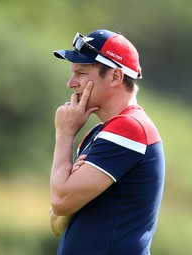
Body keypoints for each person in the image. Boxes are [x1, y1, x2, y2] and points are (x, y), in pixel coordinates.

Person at [49, 29, 165, 255]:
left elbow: (60, 201)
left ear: (115, 77)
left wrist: (64, 135)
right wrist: (64, 196)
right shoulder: (99, 133)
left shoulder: (130, 128)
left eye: (81, 73)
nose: (71, 83)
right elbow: (56, 221)